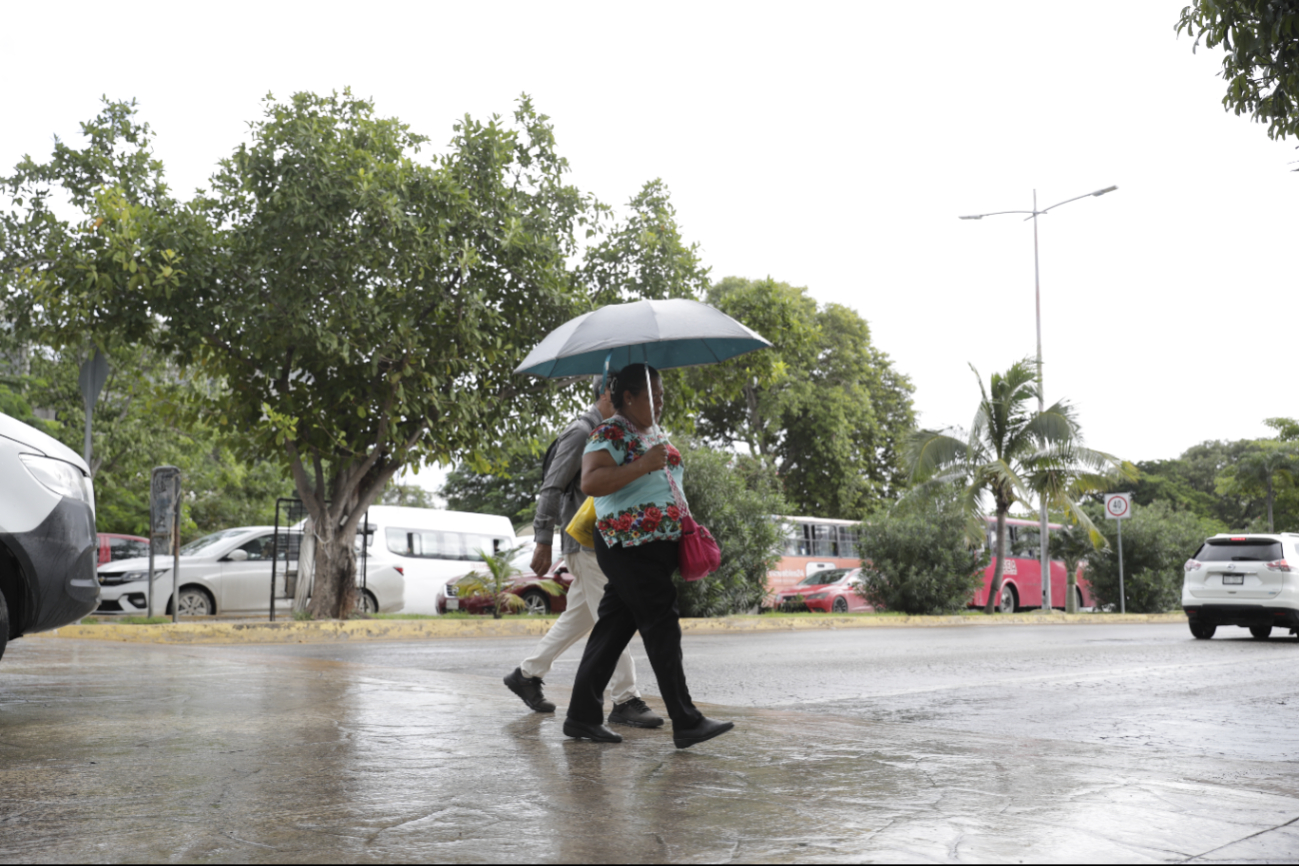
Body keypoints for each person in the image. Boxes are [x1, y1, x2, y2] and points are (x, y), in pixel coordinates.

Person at [562, 363, 734, 749]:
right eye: (653, 394)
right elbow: (590, 480)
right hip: (629, 545)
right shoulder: (609, 432)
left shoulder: (651, 431)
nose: (661, 401)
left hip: (655, 544)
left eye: (662, 394)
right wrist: (642, 465)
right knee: (661, 624)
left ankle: (580, 717)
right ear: (628, 397)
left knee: (612, 631)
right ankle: (686, 720)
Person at [503, 377, 663, 728]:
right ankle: (625, 698)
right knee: (615, 618)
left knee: (580, 616)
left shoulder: (613, 433)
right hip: (586, 543)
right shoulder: (581, 433)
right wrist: (543, 539)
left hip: (608, 542)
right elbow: (552, 486)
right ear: (610, 394)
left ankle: (527, 675)